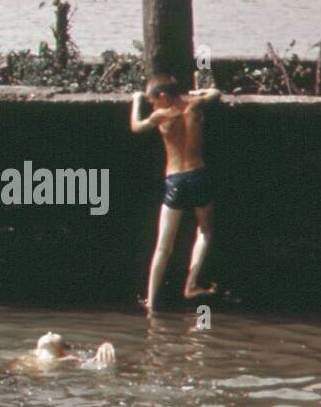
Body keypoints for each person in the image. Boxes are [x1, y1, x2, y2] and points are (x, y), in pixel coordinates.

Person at [130, 74, 221, 311]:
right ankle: (190, 284)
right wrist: (197, 93)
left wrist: (135, 101)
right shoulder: (194, 106)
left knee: (163, 246)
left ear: (162, 95)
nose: (152, 104)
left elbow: (136, 127)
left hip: (175, 180)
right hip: (199, 175)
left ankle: (152, 299)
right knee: (205, 230)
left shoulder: (162, 115)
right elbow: (216, 93)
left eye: (152, 99)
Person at [34, 332, 115, 369]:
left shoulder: (67, 359)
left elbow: (95, 362)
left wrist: (105, 346)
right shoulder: (29, 357)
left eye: (53, 335)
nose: (49, 333)